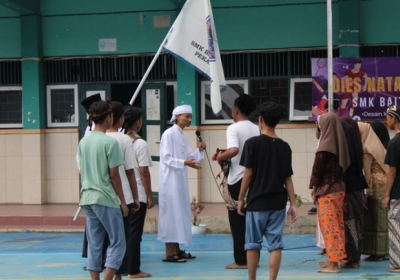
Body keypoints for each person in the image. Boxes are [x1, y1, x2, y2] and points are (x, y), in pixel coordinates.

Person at [237, 101, 298, 280]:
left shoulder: (252, 143)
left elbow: (248, 173)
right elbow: (288, 178)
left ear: (261, 119)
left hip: (257, 202)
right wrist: (293, 204)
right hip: (278, 202)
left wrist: (241, 198)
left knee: (252, 244)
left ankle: (252, 279)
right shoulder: (285, 146)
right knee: (275, 244)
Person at [78, 100, 128, 280]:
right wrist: (122, 201)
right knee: (118, 242)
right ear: (108, 117)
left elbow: (82, 170)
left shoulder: (84, 142)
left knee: (95, 243)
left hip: (87, 197)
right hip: (105, 197)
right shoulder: (110, 143)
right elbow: (114, 175)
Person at [158, 104, 206, 263]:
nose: (189, 119)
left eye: (190, 116)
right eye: (187, 116)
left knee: (179, 214)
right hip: (170, 182)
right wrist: (184, 163)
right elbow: (166, 158)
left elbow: (188, 157)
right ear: (177, 116)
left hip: (180, 181)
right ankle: (169, 253)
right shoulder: (168, 134)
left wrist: (199, 151)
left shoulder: (183, 136)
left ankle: (177, 250)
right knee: (171, 215)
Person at [216, 93, 260, 269]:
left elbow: (234, 150)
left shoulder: (233, 128)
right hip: (254, 178)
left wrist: (220, 156)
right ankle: (253, 259)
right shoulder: (256, 128)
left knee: (237, 220)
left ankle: (241, 260)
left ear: (236, 110)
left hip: (237, 179)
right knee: (252, 221)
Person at [309, 112, 350, 273]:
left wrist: (313, 188)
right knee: (337, 225)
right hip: (339, 190)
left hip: (327, 192)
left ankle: (333, 265)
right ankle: (333, 260)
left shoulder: (324, 147)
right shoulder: (340, 144)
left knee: (329, 227)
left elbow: (316, 172)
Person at [106, 101, 140, 280]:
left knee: (105, 241)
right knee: (120, 241)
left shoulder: (91, 138)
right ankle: (116, 276)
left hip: (101, 197)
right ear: (120, 119)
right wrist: (135, 197)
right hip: (122, 197)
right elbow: (129, 171)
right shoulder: (124, 139)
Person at [122, 105, 154, 278]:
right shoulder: (139, 143)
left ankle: (120, 267)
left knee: (122, 233)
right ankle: (133, 269)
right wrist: (149, 195)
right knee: (135, 234)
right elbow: (144, 172)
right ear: (136, 122)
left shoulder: (117, 140)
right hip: (137, 194)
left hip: (121, 194)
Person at [339, 117, 368, 268]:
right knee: (357, 223)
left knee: (350, 223)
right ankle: (354, 257)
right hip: (358, 188)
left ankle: (352, 258)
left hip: (349, 190)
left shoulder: (346, 150)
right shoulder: (356, 144)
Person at [358, 121, 389, 261]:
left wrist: (365, 193)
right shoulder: (385, 146)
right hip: (387, 185)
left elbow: (367, 173)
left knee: (375, 218)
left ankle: (377, 252)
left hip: (375, 187)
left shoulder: (368, 147)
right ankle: (385, 250)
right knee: (384, 218)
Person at [382, 105, 400, 273]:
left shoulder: (394, 143)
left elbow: (392, 170)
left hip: (398, 193)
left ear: (394, 119)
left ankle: (397, 263)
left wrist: (386, 194)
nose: (386, 120)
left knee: (395, 227)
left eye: (387, 117)